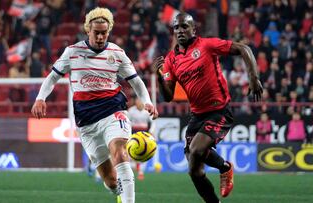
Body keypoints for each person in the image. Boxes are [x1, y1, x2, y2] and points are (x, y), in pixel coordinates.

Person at [31, 7, 158, 203]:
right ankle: (120, 194)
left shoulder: (117, 53)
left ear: (109, 32)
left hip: (113, 111)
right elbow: (52, 77)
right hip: (87, 123)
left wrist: (148, 101)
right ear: (87, 30)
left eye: (104, 33)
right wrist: (41, 98)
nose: (100, 37)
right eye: (96, 32)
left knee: (120, 152)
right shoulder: (72, 52)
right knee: (110, 180)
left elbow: (136, 81)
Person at [152, 13, 263, 202]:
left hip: (219, 111)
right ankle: (220, 180)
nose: (180, 30)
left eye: (184, 26)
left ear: (193, 29)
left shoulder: (207, 45)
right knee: (193, 169)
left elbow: (244, 49)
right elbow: (168, 97)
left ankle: (224, 168)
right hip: (197, 115)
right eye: (176, 27)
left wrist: (253, 77)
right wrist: (159, 78)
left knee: (195, 150)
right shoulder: (171, 60)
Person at [128, 97, 154, 180]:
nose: (138, 102)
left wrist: (151, 131)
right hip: (134, 134)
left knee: (143, 152)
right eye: (137, 100)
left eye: (140, 100)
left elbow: (153, 121)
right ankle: (135, 171)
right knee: (132, 152)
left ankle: (140, 171)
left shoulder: (147, 110)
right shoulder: (131, 111)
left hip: (144, 134)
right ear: (135, 102)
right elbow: (127, 122)